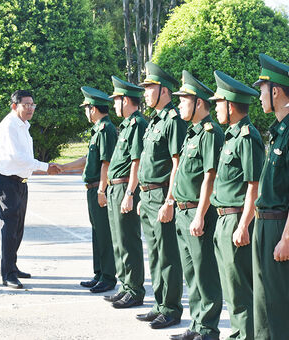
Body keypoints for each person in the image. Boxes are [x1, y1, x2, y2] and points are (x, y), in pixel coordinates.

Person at [252, 54, 289, 339]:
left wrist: (287, 237)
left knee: (283, 301)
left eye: (262, 90)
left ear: (275, 90)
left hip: (281, 224)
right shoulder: (277, 131)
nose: (259, 96)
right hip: (264, 222)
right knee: (263, 301)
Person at [209, 70, 264, 340]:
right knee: (230, 287)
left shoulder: (247, 137)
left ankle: (245, 336)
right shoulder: (230, 136)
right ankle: (238, 333)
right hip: (222, 218)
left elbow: (253, 186)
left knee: (240, 288)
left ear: (231, 105)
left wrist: (244, 225)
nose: (215, 108)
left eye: (218, 103)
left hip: (236, 219)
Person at [170, 70, 224, 340]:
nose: (179, 104)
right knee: (191, 274)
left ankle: (208, 329)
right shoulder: (191, 133)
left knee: (205, 274)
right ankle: (196, 325)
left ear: (199, 103)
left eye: (183, 100)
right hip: (183, 210)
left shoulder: (210, 133)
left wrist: (200, 215)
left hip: (197, 212)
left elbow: (210, 177)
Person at [135, 61, 186, 329]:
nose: (144, 93)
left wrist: (170, 200)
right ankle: (159, 304)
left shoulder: (173, 120)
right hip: (149, 195)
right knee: (154, 254)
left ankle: (171, 307)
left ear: (163, 90)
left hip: (163, 195)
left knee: (167, 254)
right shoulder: (155, 120)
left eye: (149, 88)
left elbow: (177, 163)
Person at [0, 90, 59, 289]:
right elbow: (17, 157)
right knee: (9, 229)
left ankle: (12, 266)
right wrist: (46, 167)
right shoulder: (10, 125)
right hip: (7, 183)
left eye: (32, 104)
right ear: (14, 106)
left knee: (18, 228)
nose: (30, 108)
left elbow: (24, 158)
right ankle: (8, 274)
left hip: (20, 183)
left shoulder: (23, 125)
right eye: (26, 105)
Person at [56, 86, 118, 293]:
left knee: (104, 233)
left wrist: (102, 190)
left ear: (93, 109)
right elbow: (89, 159)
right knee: (97, 232)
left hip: (98, 188)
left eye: (86, 108)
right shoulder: (98, 130)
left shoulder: (107, 129)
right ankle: (99, 273)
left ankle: (108, 277)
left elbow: (106, 163)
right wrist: (64, 168)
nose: (85, 112)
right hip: (91, 188)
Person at [103, 76, 148, 308]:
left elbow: (136, 162)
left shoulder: (138, 124)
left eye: (116, 100)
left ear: (126, 101)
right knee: (118, 240)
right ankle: (125, 285)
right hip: (115, 186)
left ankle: (135, 289)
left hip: (125, 187)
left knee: (128, 240)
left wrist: (131, 193)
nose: (113, 105)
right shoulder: (128, 124)